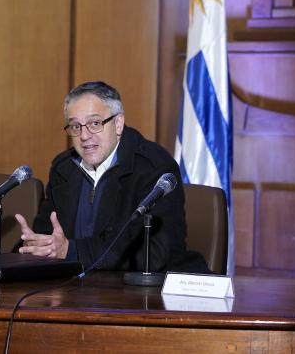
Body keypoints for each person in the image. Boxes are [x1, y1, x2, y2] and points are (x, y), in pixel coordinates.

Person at [15, 81, 207, 272]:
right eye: (75, 126)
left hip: (134, 295)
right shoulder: (64, 168)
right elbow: (48, 235)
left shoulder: (154, 167)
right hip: (70, 289)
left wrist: (72, 251)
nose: (84, 136)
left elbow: (154, 254)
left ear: (118, 124)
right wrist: (36, 244)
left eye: (95, 123)